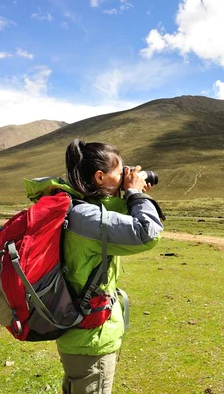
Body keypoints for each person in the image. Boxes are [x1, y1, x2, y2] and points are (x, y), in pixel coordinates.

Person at [55, 139, 163, 393]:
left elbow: (113, 221)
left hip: (78, 334)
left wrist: (128, 196)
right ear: (100, 177)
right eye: (120, 170)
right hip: (91, 339)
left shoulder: (78, 209)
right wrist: (135, 194)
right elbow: (147, 233)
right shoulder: (85, 218)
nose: (127, 175)